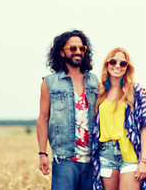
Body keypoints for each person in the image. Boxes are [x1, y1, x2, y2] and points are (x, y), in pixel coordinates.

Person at [36, 30, 100, 190]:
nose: (78, 51)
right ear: (62, 52)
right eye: (73, 48)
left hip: (92, 159)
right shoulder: (49, 82)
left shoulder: (94, 80)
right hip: (64, 159)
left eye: (82, 48)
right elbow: (43, 119)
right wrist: (42, 153)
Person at [92, 47, 146, 190]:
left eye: (123, 63)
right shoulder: (99, 93)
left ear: (128, 67)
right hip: (105, 154)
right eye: (113, 61)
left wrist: (145, 161)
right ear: (107, 64)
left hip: (130, 153)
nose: (117, 66)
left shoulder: (136, 91)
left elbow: (145, 127)